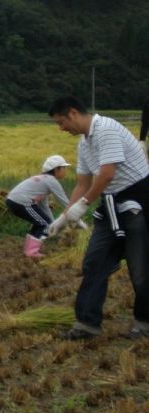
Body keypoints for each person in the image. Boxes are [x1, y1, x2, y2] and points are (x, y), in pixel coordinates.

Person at [47, 96, 149, 340]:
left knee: (140, 267)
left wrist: (83, 205)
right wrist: (63, 217)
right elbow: (83, 183)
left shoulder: (107, 129)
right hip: (111, 204)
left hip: (139, 202)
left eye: (61, 122)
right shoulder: (84, 143)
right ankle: (87, 325)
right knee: (94, 262)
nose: (61, 129)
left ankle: (144, 324)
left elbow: (107, 174)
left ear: (73, 113)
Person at [6, 155, 76, 258]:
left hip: (13, 201)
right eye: (64, 168)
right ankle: (31, 252)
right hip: (21, 202)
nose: (65, 171)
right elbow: (65, 202)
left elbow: (44, 206)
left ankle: (29, 250)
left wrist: (52, 223)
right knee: (44, 223)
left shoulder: (44, 180)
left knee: (41, 222)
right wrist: (78, 218)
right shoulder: (51, 181)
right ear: (56, 169)